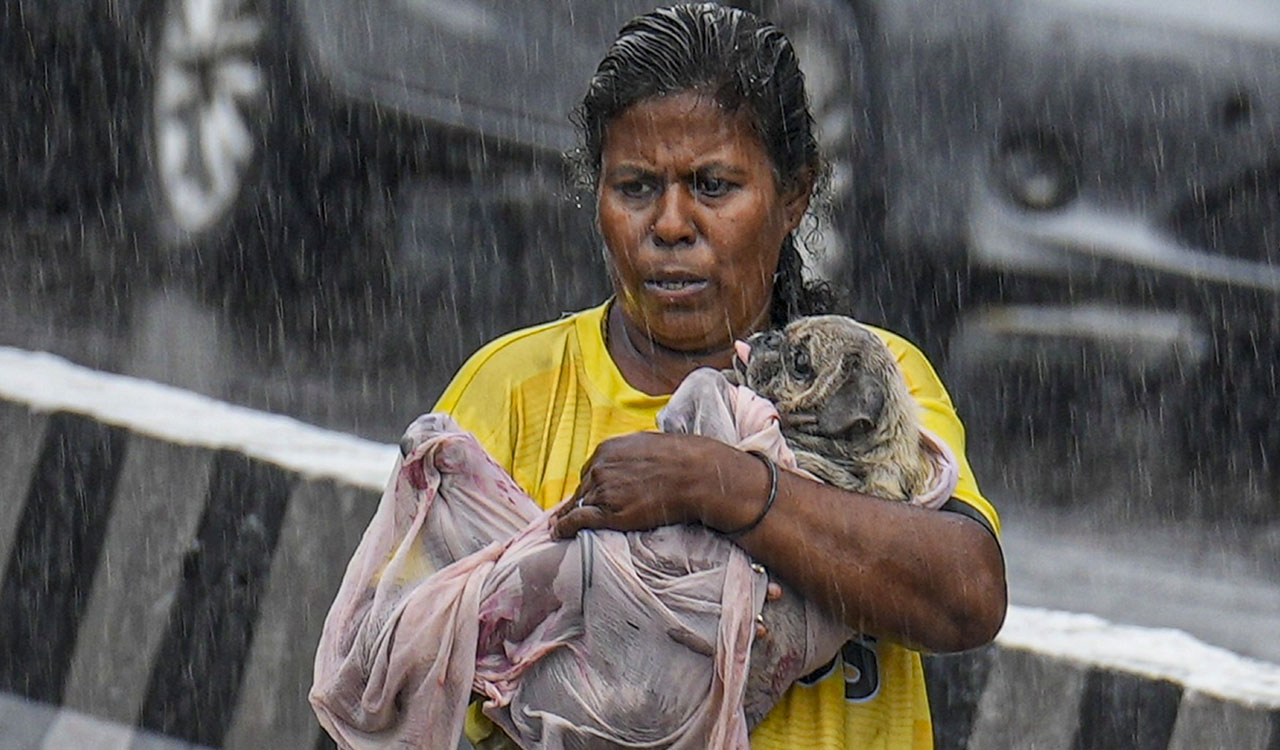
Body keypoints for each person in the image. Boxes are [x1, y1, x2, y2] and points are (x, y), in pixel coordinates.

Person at [433, 3, 1007, 748]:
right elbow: (398, 666)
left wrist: (721, 487)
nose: (671, 223)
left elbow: (967, 596)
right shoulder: (514, 390)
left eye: (713, 186)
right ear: (597, 193)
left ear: (794, 196)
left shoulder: (866, 379)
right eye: (636, 186)